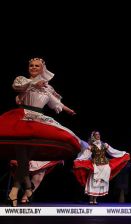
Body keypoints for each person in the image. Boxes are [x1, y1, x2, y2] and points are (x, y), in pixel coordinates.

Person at [0, 57, 82, 207]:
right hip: (21, 120)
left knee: (24, 159)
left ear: (42, 68)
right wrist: (33, 82)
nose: (33, 68)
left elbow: (55, 103)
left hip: (38, 121)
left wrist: (69, 110)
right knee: (22, 158)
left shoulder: (47, 88)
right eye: (31, 65)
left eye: (36, 66)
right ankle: (20, 189)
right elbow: (17, 86)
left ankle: (18, 190)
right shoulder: (23, 80)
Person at [73, 131, 130, 205]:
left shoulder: (104, 145)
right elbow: (85, 155)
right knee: (93, 181)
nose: (98, 136)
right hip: (96, 165)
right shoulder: (91, 146)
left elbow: (113, 151)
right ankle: (91, 198)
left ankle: (95, 199)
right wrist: (78, 159)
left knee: (100, 183)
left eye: (99, 134)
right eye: (96, 135)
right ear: (93, 136)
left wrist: (123, 153)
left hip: (104, 166)